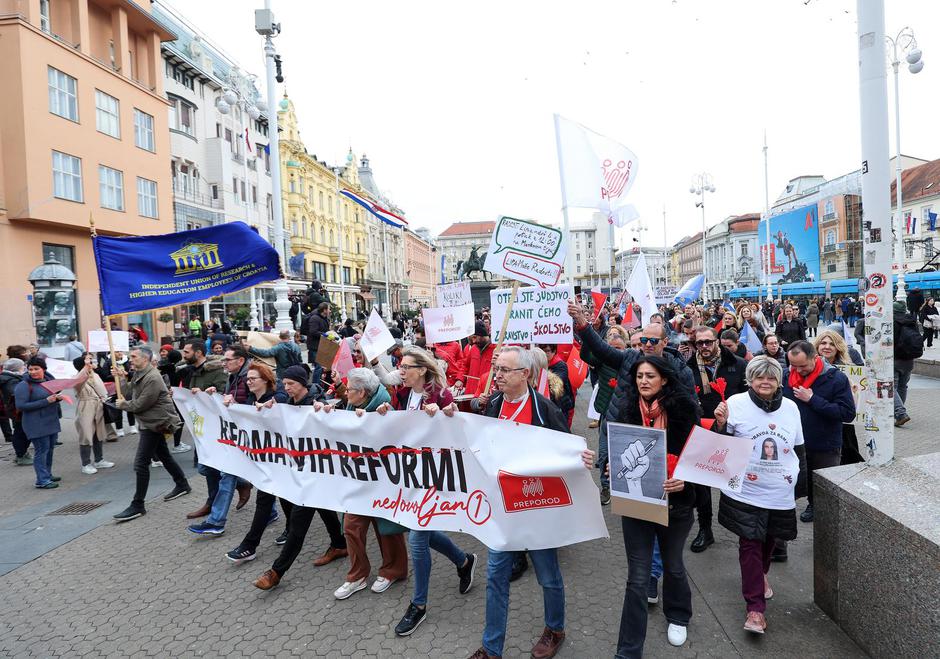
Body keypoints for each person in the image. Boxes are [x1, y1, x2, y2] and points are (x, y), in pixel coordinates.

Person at [467, 346, 586, 659]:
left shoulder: (545, 410)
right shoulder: (492, 405)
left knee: (548, 576)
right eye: (498, 369)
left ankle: (555, 629)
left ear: (526, 375)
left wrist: (581, 458)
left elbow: (567, 451)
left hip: (538, 508)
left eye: (505, 370)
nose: (498, 375)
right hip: (503, 511)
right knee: (495, 577)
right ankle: (492, 648)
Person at [373, 346, 477, 637]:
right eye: (400, 366)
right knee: (423, 533)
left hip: (434, 477)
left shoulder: (441, 395)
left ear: (421, 370)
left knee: (418, 540)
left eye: (405, 367)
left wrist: (444, 415)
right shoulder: (404, 394)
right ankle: (463, 560)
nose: (401, 371)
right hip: (410, 476)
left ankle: (418, 606)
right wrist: (385, 412)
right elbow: (400, 427)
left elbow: (454, 428)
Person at [611, 355, 700, 656]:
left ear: (664, 379)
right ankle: (628, 651)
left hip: (677, 506)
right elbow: (613, 449)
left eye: (650, 376)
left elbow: (700, 458)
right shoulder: (625, 409)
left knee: (673, 565)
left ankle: (678, 614)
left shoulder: (685, 410)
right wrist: (611, 466)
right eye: (639, 376)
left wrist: (686, 481)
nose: (644, 381)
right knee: (637, 577)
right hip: (637, 504)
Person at [713, 356, 804, 634]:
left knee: (769, 542)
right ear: (750, 379)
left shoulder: (790, 408)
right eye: (759, 377)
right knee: (750, 543)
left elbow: (799, 448)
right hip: (746, 490)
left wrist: (800, 487)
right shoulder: (735, 403)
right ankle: (755, 609)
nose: (765, 382)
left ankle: (761, 575)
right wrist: (720, 424)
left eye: (771, 377)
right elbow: (720, 447)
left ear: (779, 381)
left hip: (779, 490)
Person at [315, 367, 409, 600]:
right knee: (351, 527)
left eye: (349, 390)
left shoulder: (384, 409)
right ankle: (357, 575)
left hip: (382, 480)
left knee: (386, 529)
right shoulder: (350, 406)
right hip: (357, 479)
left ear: (364, 393)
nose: (345, 393)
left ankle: (393, 570)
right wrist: (328, 412)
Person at [252, 364, 348, 590]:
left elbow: (334, 422)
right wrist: (268, 409)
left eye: (291, 384)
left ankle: (275, 572)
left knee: (298, 524)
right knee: (324, 509)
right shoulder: (288, 404)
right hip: (300, 471)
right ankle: (339, 544)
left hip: (316, 473)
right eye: (284, 384)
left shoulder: (316, 402)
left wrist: (324, 410)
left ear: (303, 384)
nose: (287, 389)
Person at [111, 347, 192, 521]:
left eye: (134, 357)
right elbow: (128, 392)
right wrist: (121, 378)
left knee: (141, 464)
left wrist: (122, 405)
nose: (130, 359)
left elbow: (139, 404)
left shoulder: (153, 377)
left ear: (145, 359)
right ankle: (182, 484)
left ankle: (138, 505)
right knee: (164, 455)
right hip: (148, 422)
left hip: (156, 424)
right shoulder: (139, 373)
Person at [686, 325, 747, 554]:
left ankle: (746, 531)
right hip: (701, 430)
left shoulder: (738, 364)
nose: (704, 347)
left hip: (732, 431)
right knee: (701, 484)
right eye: (699, 343)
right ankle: (705, 529)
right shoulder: (688, 368)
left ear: (717, 342)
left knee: (734, 482)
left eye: (708, 342)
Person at [224, 362, 291, 563]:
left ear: (266, 380)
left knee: (271, 499)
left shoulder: (278, 398)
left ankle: (250, 545)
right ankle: (288, 529)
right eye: (248, 378)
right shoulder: (254, 398)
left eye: (253, 378)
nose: (249, 381)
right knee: (280, 498)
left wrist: (273, 408)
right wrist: (230, 404)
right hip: (268, 461)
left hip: (283, 460)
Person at [783, 341, 855, 524]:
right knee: (802, 479)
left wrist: (813, 399)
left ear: (815, 358)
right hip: (795, 443)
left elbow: (847, 414)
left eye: (803, 366)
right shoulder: (785, 377)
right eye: (793, 366)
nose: (798, 371)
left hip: (825, 444)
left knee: (823, 486)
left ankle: (822, 513)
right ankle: (808, 504)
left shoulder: (836, 378)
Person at [188, 346, 255, 535]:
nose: (223, 363)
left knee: (227, 475)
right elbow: (230, 399)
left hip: (247, 435)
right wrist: (214, 394)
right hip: (233, 432)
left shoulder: (251, 376)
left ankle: (216, 522)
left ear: (240, 361)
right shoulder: (233, 377)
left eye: (227, 360)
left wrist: (235, 405)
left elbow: (255, 402)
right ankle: (244, 485)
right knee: (206, 467)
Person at [580, 324, 630, 502]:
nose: (616, 353)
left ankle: (625, 488)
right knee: (603, 454)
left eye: (619, 349)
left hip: (626, 417)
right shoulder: (602, 360)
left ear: (625, 347)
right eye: (613, 349)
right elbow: (585, 355)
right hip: (606, 415)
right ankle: (605, 487)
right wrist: (587, 337)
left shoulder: (630, 363)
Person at [179, 340, 228, 519]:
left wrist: (207, 393)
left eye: (186, 352)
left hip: (216, 426)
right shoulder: (193, 371)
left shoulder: (216, 371)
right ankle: (216, 498)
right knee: (206, 467)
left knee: (211, 467)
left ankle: (214, 505)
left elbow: (223, 393)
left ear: (198, 353)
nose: (183, 355)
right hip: (202, 426)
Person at [814, 330, 864, 466]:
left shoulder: (849, 368)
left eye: (832, 344)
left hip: (843, 423)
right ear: (817, 346)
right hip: (818, 420)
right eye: (823, 343)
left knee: (847, 456)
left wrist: (854, 392)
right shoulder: (809, 366)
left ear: (838, 348)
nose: (827, 347)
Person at [14, 357, 63, 488]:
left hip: (51, 421)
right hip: (35, 424)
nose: (33, 372)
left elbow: (50, 398)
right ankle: (42, 480)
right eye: (30, 369)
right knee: (41, 450)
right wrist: (47, 401)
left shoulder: (48, 381)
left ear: (44, 369)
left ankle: (47, 474)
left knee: (50, 449)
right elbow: (21, 405)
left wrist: (56, 399)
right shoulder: (23, 385)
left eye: (36, 369)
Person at [72, 353, 116, 474]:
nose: (91, 363)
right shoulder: (77, 378)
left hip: (98, 405)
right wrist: (85, 368)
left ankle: (99, 460)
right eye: (88, 362)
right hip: (85, 406)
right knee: (86, 435)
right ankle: (85, 464)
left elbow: (103, 385)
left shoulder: (95, 375)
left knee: (99, 433)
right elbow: (79, 381)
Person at [893, 300, 923, 427]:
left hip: (895, 359)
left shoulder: (892, 322)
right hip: (909, 360)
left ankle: (900, 413)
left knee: (891, 387)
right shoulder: (912, 321)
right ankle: (899, 413)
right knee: (902, 386)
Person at [1, 358, 32, 465]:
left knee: (21, 431)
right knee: (21, 433)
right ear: (16, 368)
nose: (25, 368)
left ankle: (22, 453)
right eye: (23, 366)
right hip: (17, 411)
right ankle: (21, 455)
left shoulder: (10, 378)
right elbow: (17, 393)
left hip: (16, 410)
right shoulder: (11, 380)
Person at [537, 343, 574, 427]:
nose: (544, 354)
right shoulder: (541, 365)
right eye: (542, 351)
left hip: (561, 405)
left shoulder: (561, 365)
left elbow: (557, 383)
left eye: (547, 351)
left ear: (554, 351)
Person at [300, 301, 331, 377]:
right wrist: (325, 335)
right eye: (329, 309)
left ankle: (320, 383)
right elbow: (313, 331)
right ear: (324, 310)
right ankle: (315, 385)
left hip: (321, 346)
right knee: (319, 367)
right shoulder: (315, 318)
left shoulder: (324, 318)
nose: (330, 311)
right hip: (315, 346)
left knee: (322, 367)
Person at [466, 321, 495, 397]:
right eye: (472, 338)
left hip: (486, 393)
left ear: (482, 335)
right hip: (471, 393)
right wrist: (459, 380)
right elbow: (465, 365)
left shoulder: (496, 350)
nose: (473, 341)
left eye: (475, 337)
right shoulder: (473, 349)